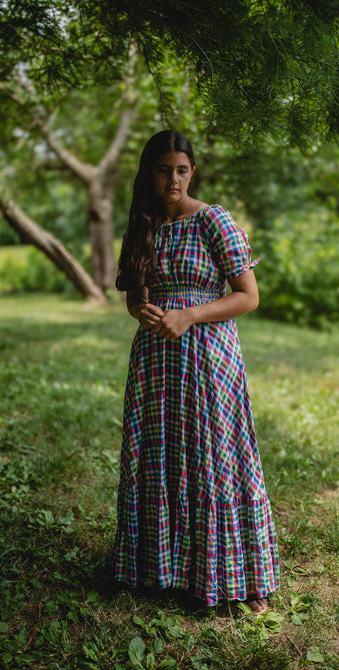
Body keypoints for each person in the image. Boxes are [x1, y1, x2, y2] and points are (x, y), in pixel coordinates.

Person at [112, 130, 279, 612]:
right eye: (164, 169)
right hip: (155, 363)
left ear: (192, 172)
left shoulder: (213, 221)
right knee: (159, 459)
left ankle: (241, 578)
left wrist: (189, 315)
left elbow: (249, 296)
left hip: (208, 359)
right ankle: (162, 570)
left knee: (216, 459)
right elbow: (133, 296)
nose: (174, 179)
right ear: (149, 171)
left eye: (182, 170)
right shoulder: (142, 225)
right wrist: (142, 309)